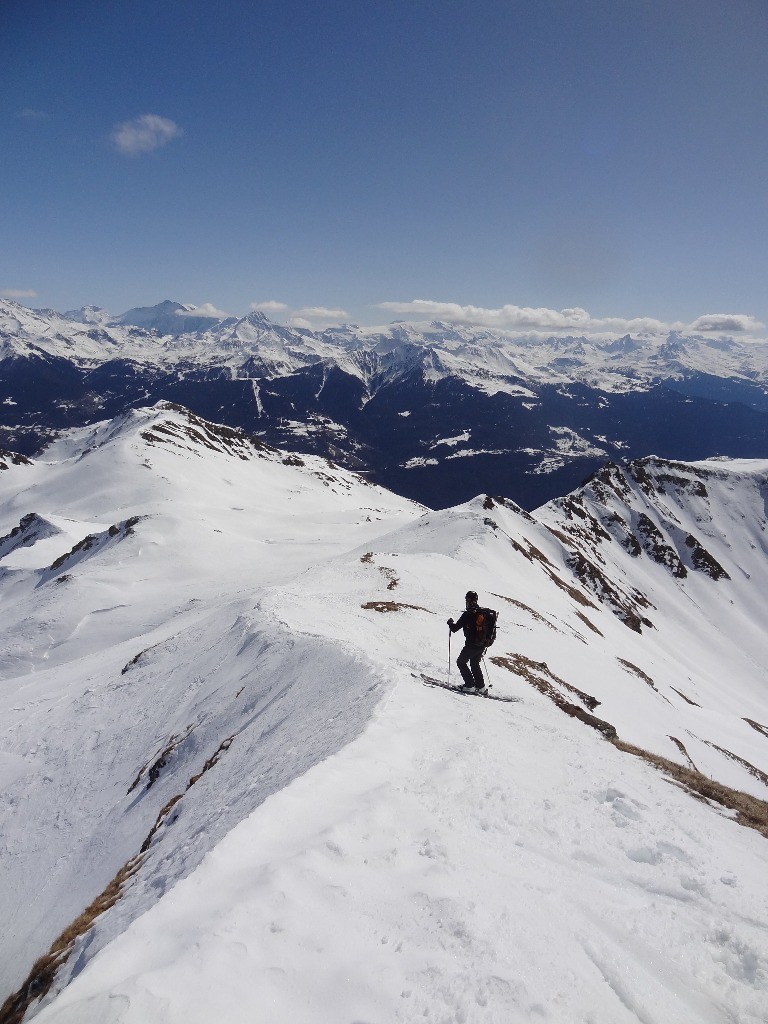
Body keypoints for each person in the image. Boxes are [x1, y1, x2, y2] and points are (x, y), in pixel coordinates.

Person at [447, 591, 487, 691]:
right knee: (474, 663)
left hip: (471, 645)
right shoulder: (482, 612)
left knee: (461, 662)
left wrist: (450, 623)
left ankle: (470, 686)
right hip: (482, 645)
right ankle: (480, 687)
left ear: (468, 600)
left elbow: (455, 628)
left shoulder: (467, 614)